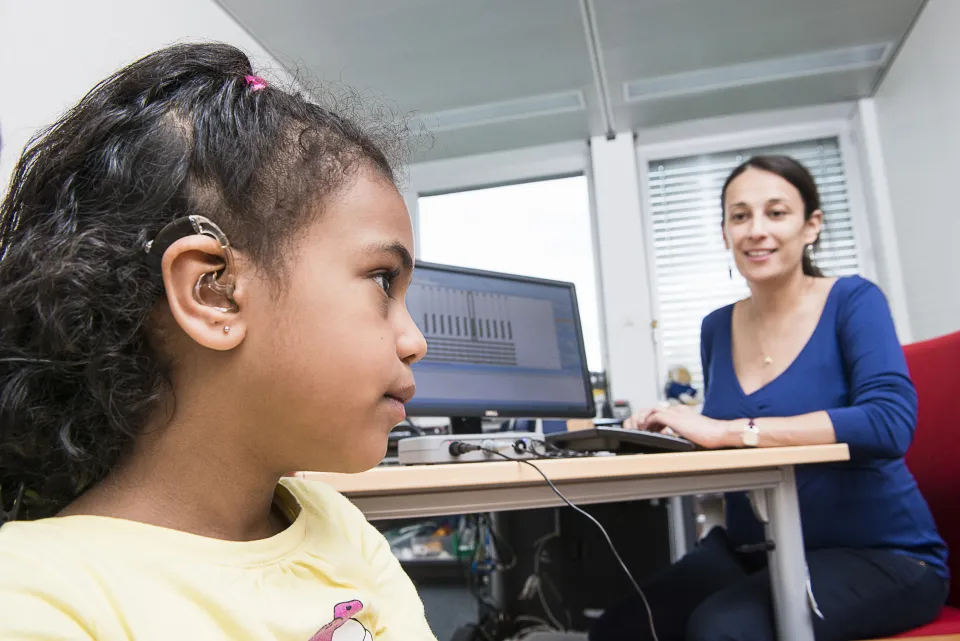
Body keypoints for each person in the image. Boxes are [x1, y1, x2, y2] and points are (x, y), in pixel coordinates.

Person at [0, 42, 436, 641]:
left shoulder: (339, 528)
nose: (415, 342)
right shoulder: (37, 593)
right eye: (383, 281)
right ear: (213, 291)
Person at [591, 155, 948, 641]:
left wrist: (728, 432)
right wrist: (674, 428)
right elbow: (726, 430)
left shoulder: (853, 301)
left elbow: (888, 422)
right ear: (725, 234)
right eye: (740, 216)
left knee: (721, 630)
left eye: (776, 213)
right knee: (623, 630)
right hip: (753, 550)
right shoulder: (717, 327)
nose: (756, 230)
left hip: (879, 554)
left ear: (811, 226)